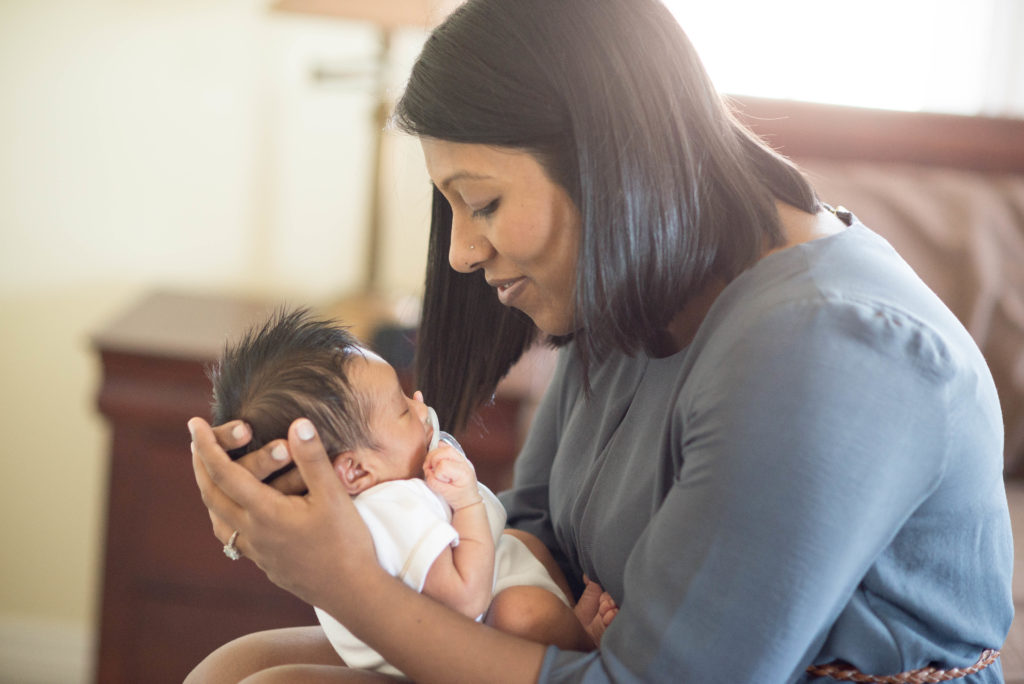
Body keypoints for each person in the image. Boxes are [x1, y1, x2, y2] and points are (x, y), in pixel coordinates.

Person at [189, 0, 1014, 681]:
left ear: (607, 164)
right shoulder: (638, 286)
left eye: (480, 203)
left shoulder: (826, 350)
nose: (461, 254)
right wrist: (331, 516)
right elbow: (537, 531)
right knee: (240, 668)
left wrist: (348, 585)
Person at [188, 308, 596, 681]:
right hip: (464, 632)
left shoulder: (345, 510)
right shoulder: (398, 507)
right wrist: (468, 500)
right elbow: (466, 599)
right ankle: (579, 642)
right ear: (356, 469)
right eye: (402, 410)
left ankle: (570, 631)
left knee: (519, 547)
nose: (420, 405)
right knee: (523, 611)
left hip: (415, 637)